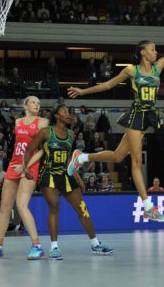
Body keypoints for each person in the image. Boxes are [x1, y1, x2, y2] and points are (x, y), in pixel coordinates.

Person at [67, 17, 164, 221]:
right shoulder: (131, 70)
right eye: (153, 49)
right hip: (136, 114)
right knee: (136, 161)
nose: (156, 52)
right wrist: (83, 91)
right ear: (143, 52)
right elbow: (107, 85)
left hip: (148, 116)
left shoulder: (159, 66)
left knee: (118, 156)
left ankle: (81, 157)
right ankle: (148, 207)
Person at [23, 104, 113, 260]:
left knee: (82, 208)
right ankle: (54, 247)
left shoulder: (71, 135)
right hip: (48, 174)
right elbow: (29, 150)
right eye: (65, 111)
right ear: (57, 116)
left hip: (66, 174)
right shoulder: (45, 132)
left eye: (69, 112)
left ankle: (95, 244)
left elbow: (69, 159)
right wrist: (26, 168)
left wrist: (77, 177)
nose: (69, 114)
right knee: (54, 206)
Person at [0, 96, 47, 260]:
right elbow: (18, 146)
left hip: (30, 166)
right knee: (4, 208)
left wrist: (25, 165)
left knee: (21, 205)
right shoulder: (18, 123)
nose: (37, 105)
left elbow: (42, 150)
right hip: (14, 164)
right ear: (25, 105)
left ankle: (37, 246)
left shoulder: (42, 123)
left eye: (39, 103)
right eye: (33, 102)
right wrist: (18, 164)